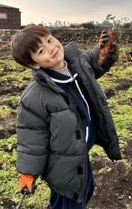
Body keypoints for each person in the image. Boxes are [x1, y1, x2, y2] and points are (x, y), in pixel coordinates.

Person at [10, 25, 121, 209]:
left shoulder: (77, 65)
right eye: (41, 50)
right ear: (33, 63)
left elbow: (93, 63)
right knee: (69, 201)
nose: (51, 48)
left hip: (80, 154)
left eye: (49, 40)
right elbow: (31, 137)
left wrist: (103, 52)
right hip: (63, 164)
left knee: (86, 189)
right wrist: (28, 173)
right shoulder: (35, 96)